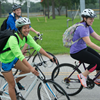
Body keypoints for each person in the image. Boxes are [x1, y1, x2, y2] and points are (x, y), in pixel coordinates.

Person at [0, 17, 57, 100]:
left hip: (13, 59)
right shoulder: (13, 38)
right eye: (24, 28)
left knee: (26, 70)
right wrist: (31, 68)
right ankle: (12, 85)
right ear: (19, 29)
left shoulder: (26, 36)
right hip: (5, 61)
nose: (27, 30)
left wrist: (50, 57)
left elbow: (37, 47)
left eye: (28, 27)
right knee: (11, 85)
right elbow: (20, 55)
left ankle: (14, 82)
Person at [70, 9, 100, 88]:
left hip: (83, 49)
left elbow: (97, 37)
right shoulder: (82, 28)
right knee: (96, 62)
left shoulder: (88, 26)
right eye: (90, 19)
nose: (92, 20)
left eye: (93, 18)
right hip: (76, 52)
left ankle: (98, 79)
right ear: (84, 18)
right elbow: (89, 43)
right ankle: (82, 75)